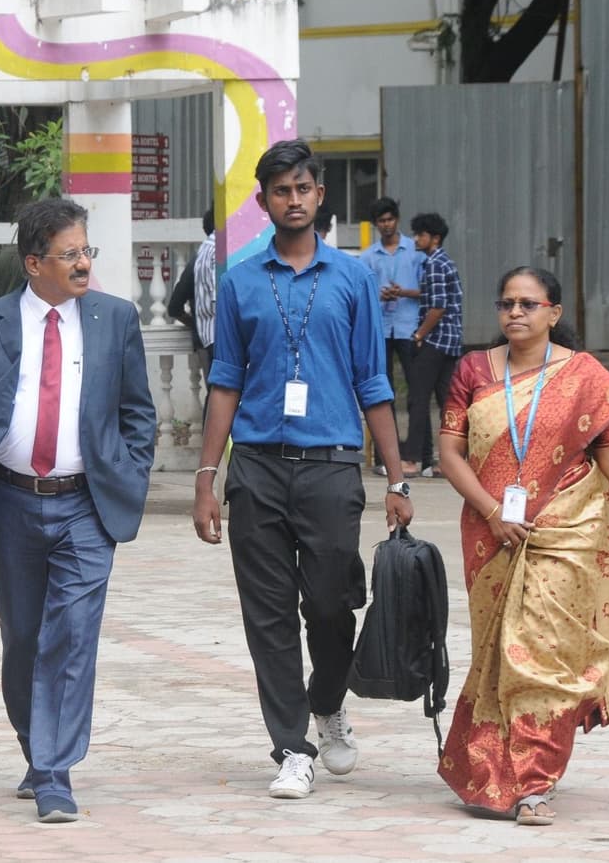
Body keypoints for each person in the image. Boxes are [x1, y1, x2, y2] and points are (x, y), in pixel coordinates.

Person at [192, 139, 414, 800]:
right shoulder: (240, 279)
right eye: (281, 191)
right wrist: (206, 477)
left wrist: (397, 478)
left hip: (331, 467)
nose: (293, 200)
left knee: (330, 603)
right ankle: (292, 747)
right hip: (257, 467)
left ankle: (328, 700)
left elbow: (373, 381)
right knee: (267, 615)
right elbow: (225, 380)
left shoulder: (351, 278)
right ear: (263, 201)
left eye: (303, 188)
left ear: (320, 196)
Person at [0, 197, 156, 824]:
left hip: (86, 502)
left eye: (87, 251)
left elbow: (138, 411)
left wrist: (130, 474)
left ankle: (55, 772)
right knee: (25, 637)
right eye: (69, 254)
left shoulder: (115, 319)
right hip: (11, 502)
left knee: (73, 634)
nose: (83, 263)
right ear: (34, 263)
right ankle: (37, 748)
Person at [436, 266, 609, 826]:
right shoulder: (474, 369)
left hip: (565, 532)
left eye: (528, 304)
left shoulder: (583, 375)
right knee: (500, 655)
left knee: (545, 658)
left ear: (554, 313)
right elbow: (449, 453)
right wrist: (492, 513)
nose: (515, 312)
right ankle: (490, 770)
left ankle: (534, 784)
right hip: (491, 534)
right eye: (506, 304)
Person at [359, 197, 424, 474]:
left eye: (390, 219)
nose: (386, 225)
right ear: (376, 224)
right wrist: (380, 295)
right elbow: (362, 294)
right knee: (382, 392)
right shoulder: (368, 256)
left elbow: (428, 290)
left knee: (417, 392)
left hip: (410, 327)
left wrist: (403, 292)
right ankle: (387, 457)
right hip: (381, 329)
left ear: (397, 219)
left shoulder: (415, 251)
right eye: (381, 221)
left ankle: (418, 456)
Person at [399, 212, 463, 477]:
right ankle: (451, 461)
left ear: (434, 238)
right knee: (448, 403)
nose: (416, 239)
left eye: (421, 234)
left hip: (435, 341)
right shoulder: (444, 262)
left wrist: (418, 336)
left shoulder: (434, 264)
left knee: (417, 399)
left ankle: (411, 460)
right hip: (451, 342)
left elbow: (437, 307)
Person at [169, 207, 217, 383]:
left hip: (204, 341)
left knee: (215, 392)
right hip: (218, 342)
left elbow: (174, 307)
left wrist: (198, 323)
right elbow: (174, 307)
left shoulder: (199, 257)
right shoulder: (213, 255)